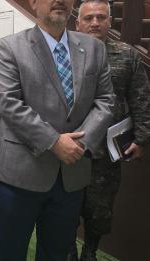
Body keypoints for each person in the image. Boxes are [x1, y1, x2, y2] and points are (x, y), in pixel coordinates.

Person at [0, 0, 115, 259]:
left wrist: (81, 142)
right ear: (34, 3)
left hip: (72, 173)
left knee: (56, 252)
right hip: (21, 174)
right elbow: (8, 103)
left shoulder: (94, 48)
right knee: (12, 252)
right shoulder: (9, 47)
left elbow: (106, 100)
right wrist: (54, 142)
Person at [72, 1, 150, 260]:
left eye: (101, 17)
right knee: (66, 205)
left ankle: (90, 251)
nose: (95, 23)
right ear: (78, 23)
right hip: (70, 146)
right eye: (89, 18)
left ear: (109, 22)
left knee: (100, 209)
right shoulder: (64, 54)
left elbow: (141, 98)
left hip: (107, 152)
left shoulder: (128, 55)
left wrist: (141, 139)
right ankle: (68, 248)